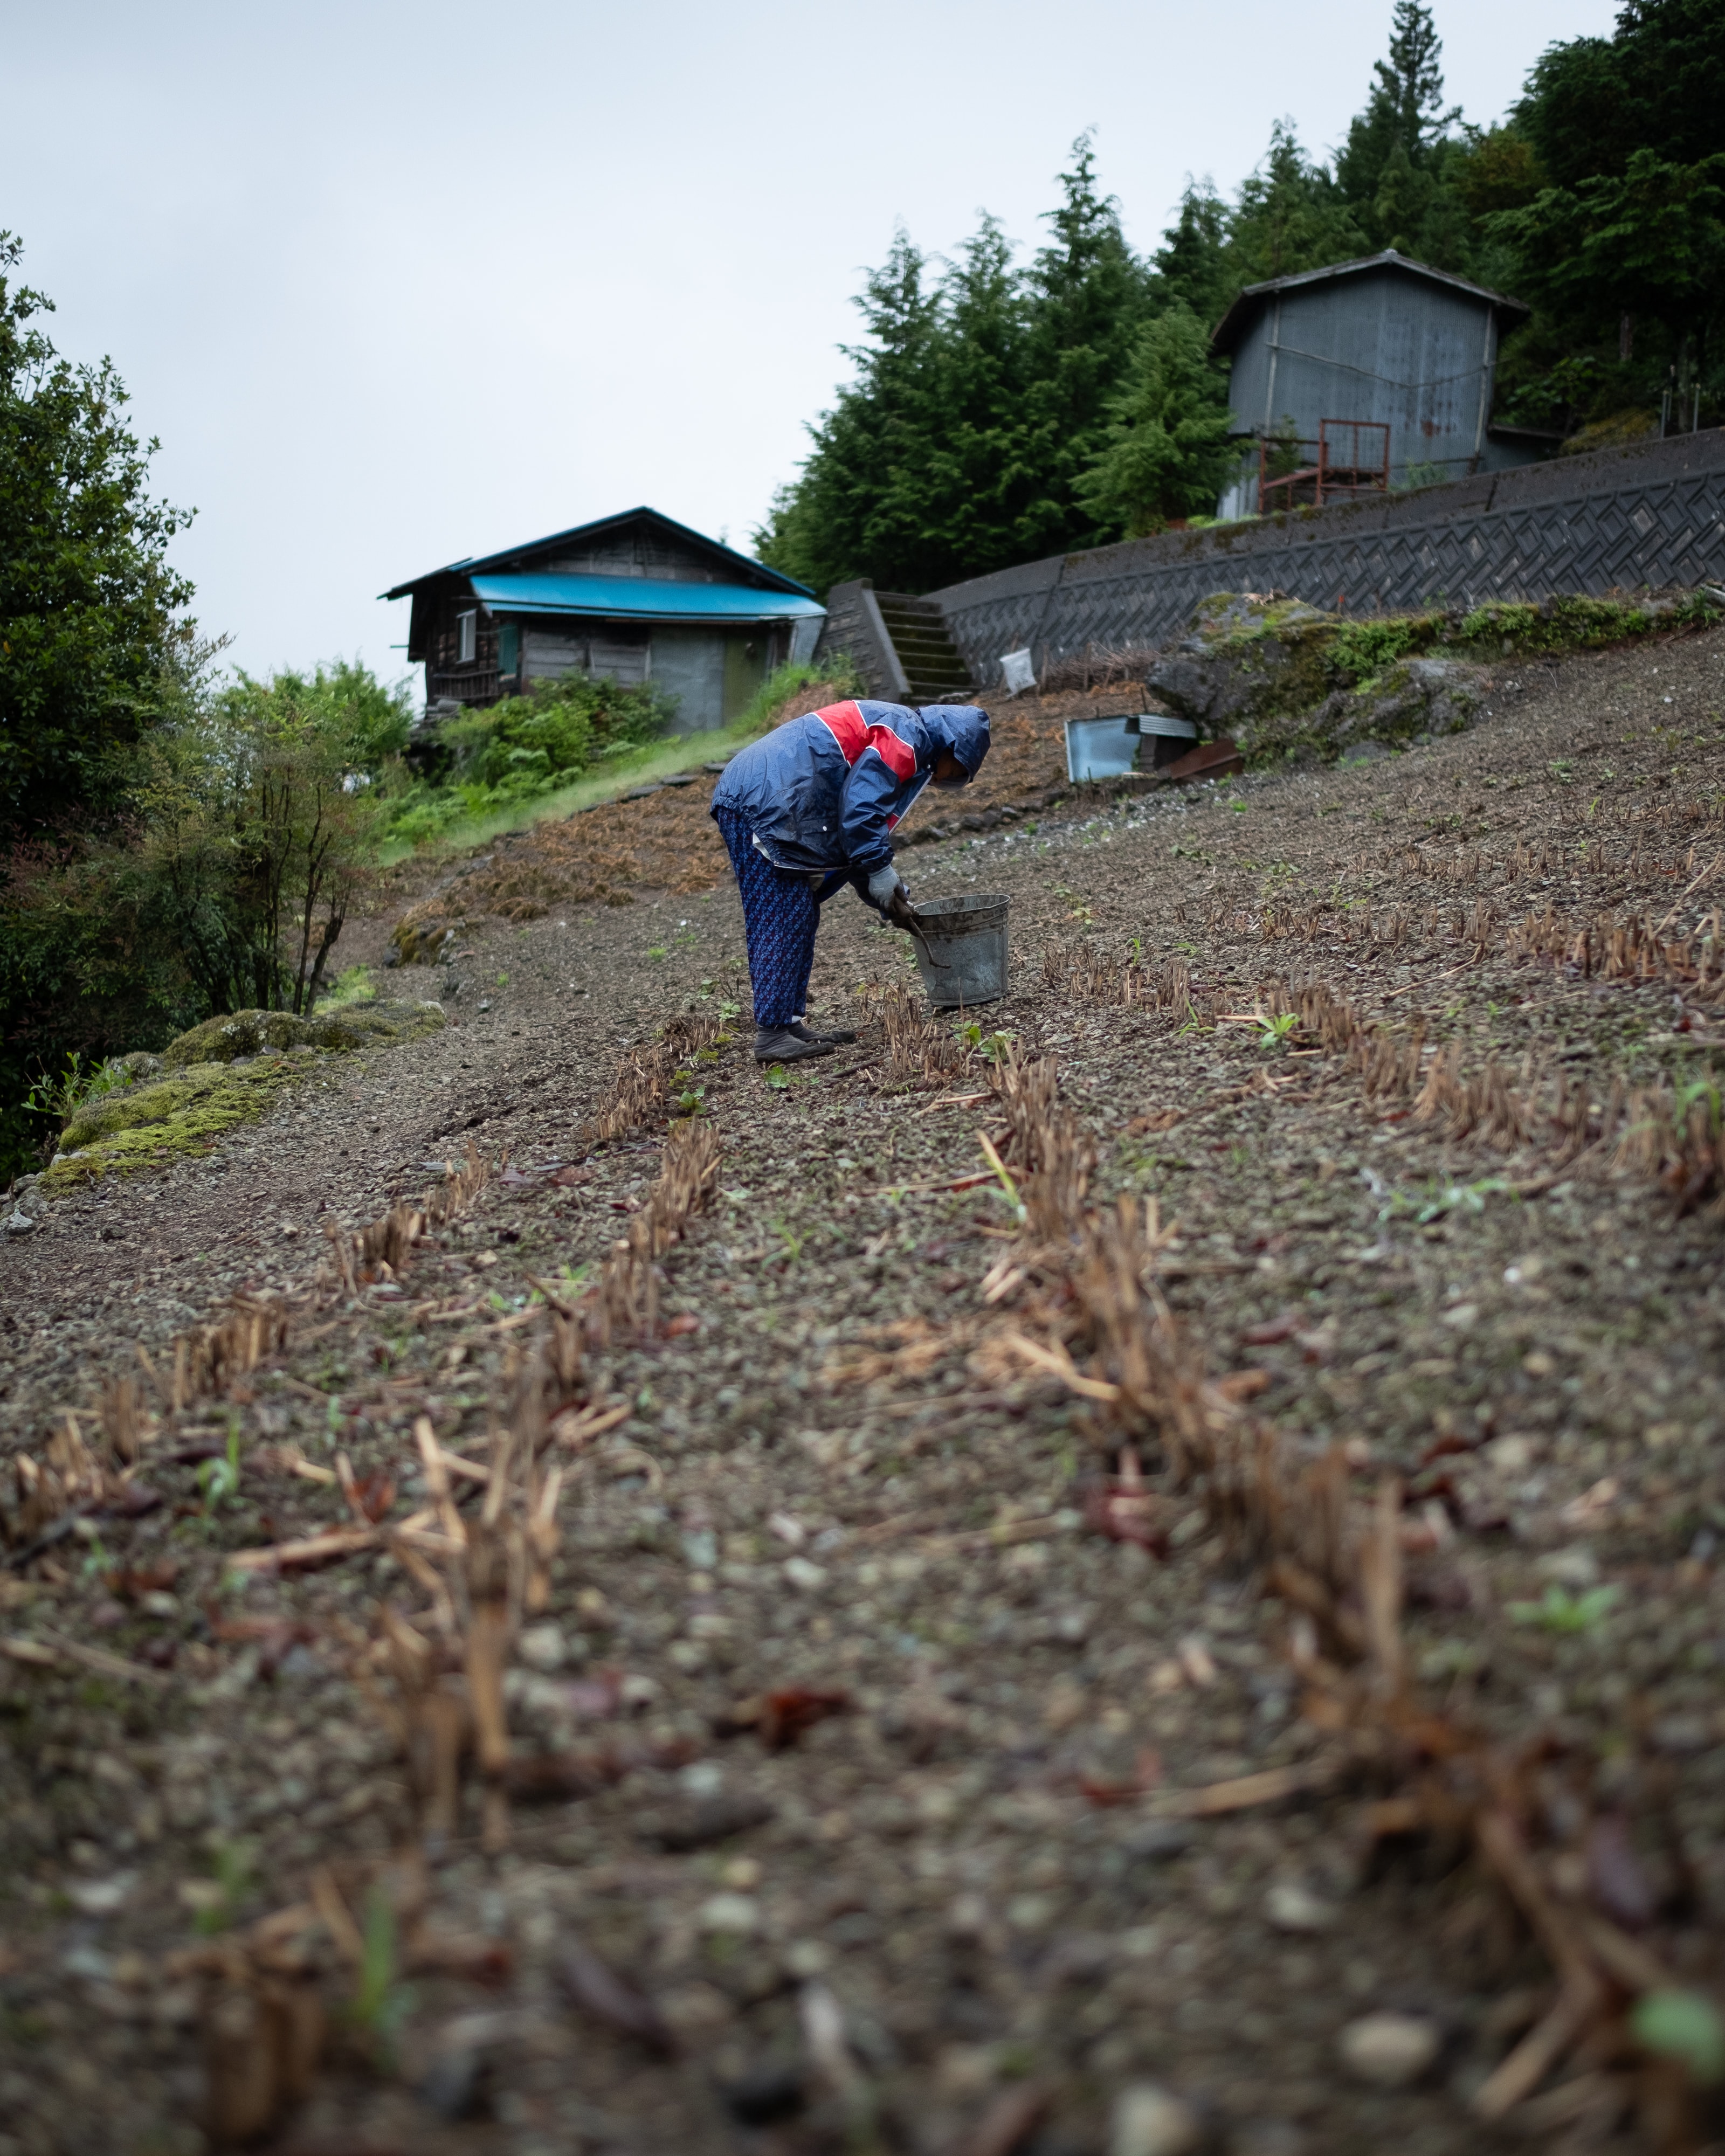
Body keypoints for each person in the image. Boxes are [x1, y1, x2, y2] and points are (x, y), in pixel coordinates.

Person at [710, 696, 991, 1062]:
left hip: (764, 792)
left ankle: (787, 1023)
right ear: (953, 745)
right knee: (781, 914)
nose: (947, 781)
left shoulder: (907, 734)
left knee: (798, 911)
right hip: (763, 797)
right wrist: (881, 872)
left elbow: (853, 841)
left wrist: (887, 896)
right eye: (956, 772)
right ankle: (772, 1034)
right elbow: (861, 814)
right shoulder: (906, 737)